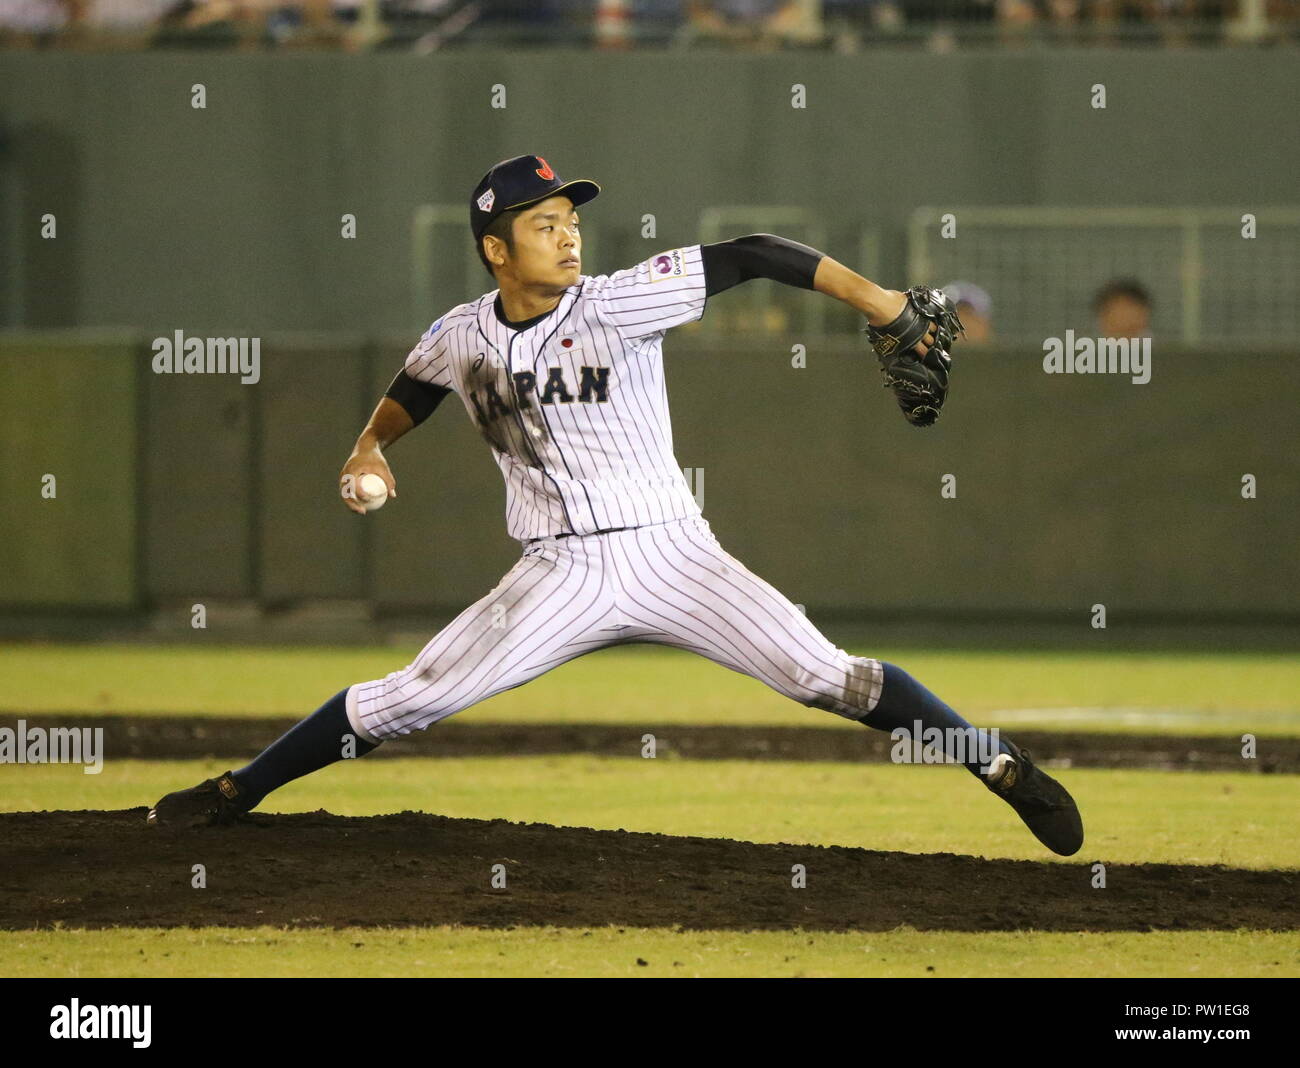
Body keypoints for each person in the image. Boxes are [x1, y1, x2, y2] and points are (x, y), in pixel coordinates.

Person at [148, 154, 1084, 857]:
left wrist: (880, 303)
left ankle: (1001, 765)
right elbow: (413, 391)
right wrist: (368, 448)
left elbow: (755, 251)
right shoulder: (459, 333)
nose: (567, 233)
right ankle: (238, 792)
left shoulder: (622, 301)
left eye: (569, 219)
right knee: (412, 698)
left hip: (673, 552)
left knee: (829, 678)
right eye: (544, 222)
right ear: (494, 247)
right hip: (558, 570)